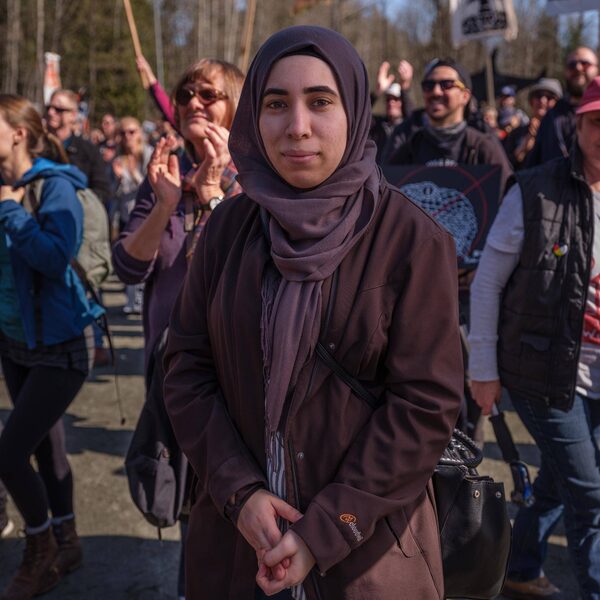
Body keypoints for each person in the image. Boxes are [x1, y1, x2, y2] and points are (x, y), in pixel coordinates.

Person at [163, 25, 463, 600]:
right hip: (237, 547)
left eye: (320, 101)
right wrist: (239, 492)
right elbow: (186, 367)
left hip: (368, 554)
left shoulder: (410, 239)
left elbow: (425, 406)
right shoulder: (228, 228)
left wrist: (324, 531)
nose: (297, 126)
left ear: (354, 111)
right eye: (276, 104)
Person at [112, 58, 244, 600]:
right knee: (190, 503)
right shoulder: (165, 174)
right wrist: (165, 203)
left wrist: (216, 192)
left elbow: (254, 267)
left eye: (208, 94)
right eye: (186, 93)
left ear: (235, 105)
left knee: (236, 498)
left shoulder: (257, 175)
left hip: (238, 376)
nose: (192, 102)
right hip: (171, 374)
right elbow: (128, 267)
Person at [469, 76, 600, 600]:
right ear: (578, 126)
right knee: (591, 495)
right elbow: (488, 283)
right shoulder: (533, 190)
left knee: (559, 480)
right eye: (597, 122)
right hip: (543, 373)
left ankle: (520, 567)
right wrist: (483, 370)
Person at [0, 94, 103, 600]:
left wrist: (10, 212)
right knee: (44, 447)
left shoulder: (54, 187)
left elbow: (54, 256)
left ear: (19, 133)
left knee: (8, 455)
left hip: (62, 345)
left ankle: (40, 551)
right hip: (15, 341)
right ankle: (68, 542)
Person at [382, 57, 513, 191]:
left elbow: (510, 195)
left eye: (447, 84)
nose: (436, 92)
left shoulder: (482, 147)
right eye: (429, 85)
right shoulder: (411, 147)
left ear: (465, 96)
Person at [525, 46, 598, 166]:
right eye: (572, 65)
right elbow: (534, 165)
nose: (578, 68)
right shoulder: (551, 117)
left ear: (597, 69)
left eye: (585, 63)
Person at [111, 116, 153, 314]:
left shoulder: (150, 154)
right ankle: (131, 301)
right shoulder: (117, 159)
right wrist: (118, 179)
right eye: (123, 132)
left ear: (140, 134)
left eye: (132, 131)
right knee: (129, 256)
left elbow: (151, 184)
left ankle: (143, 300)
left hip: (149, 216)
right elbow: (113, 193)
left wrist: (132, 175)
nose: (127, 136)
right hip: (126, 215)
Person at [44, 89, 113, 205]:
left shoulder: (88, 151)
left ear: (73, 115)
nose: (51, 112)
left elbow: (102, 192)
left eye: (58, 109)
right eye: (48, 108)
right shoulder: (36, 147)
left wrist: (75, 202)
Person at [503, 78, 562, 170]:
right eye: (538, 96)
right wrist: (522, 149)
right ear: (531, 101)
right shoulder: (516, 134)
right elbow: (506, 168)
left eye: (549, 97)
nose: (542, 100)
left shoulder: (564, 134)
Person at [369, 59, 414, 162]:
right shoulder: (377, 127)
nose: (391, 102)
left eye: (396, 99)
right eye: (388, 99)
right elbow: (359, 117)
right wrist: (377, 92)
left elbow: (412, 119)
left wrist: (405, 88)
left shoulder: (409, 128)